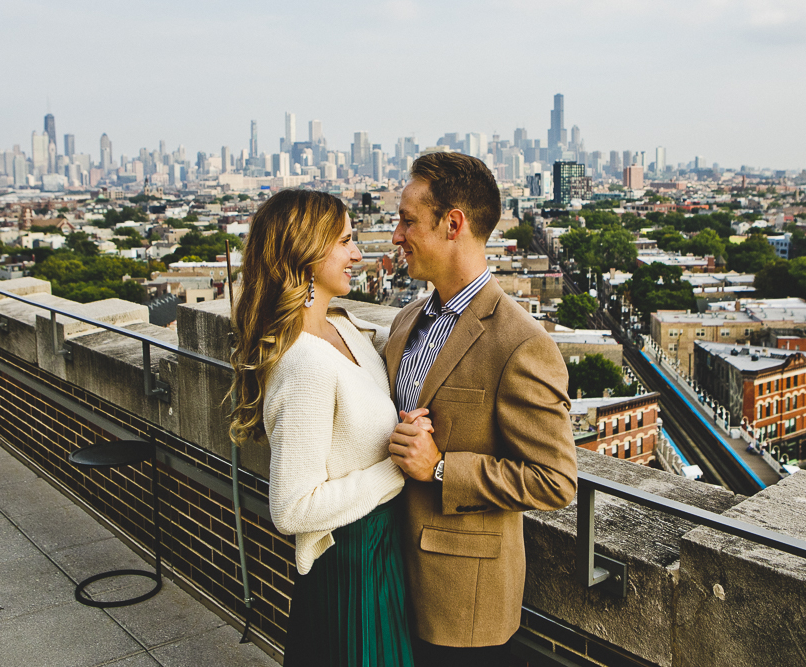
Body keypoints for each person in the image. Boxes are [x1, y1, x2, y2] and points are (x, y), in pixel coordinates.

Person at [386, 152, 579, 666]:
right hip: (388, 580)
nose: (395, 236)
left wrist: (441, 468)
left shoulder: (520, 343)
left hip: (462, 606)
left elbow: (555, 480)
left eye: (407, 221)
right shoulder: (405, 321)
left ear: (453, 224)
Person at [229, 189, 421, 666]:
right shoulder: (306, 362)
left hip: (383, 552)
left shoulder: (344, 326)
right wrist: (396, 469)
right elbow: (291, 509)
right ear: (305, 252)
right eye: (345, 241)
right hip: (351, 563)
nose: (358, 253)